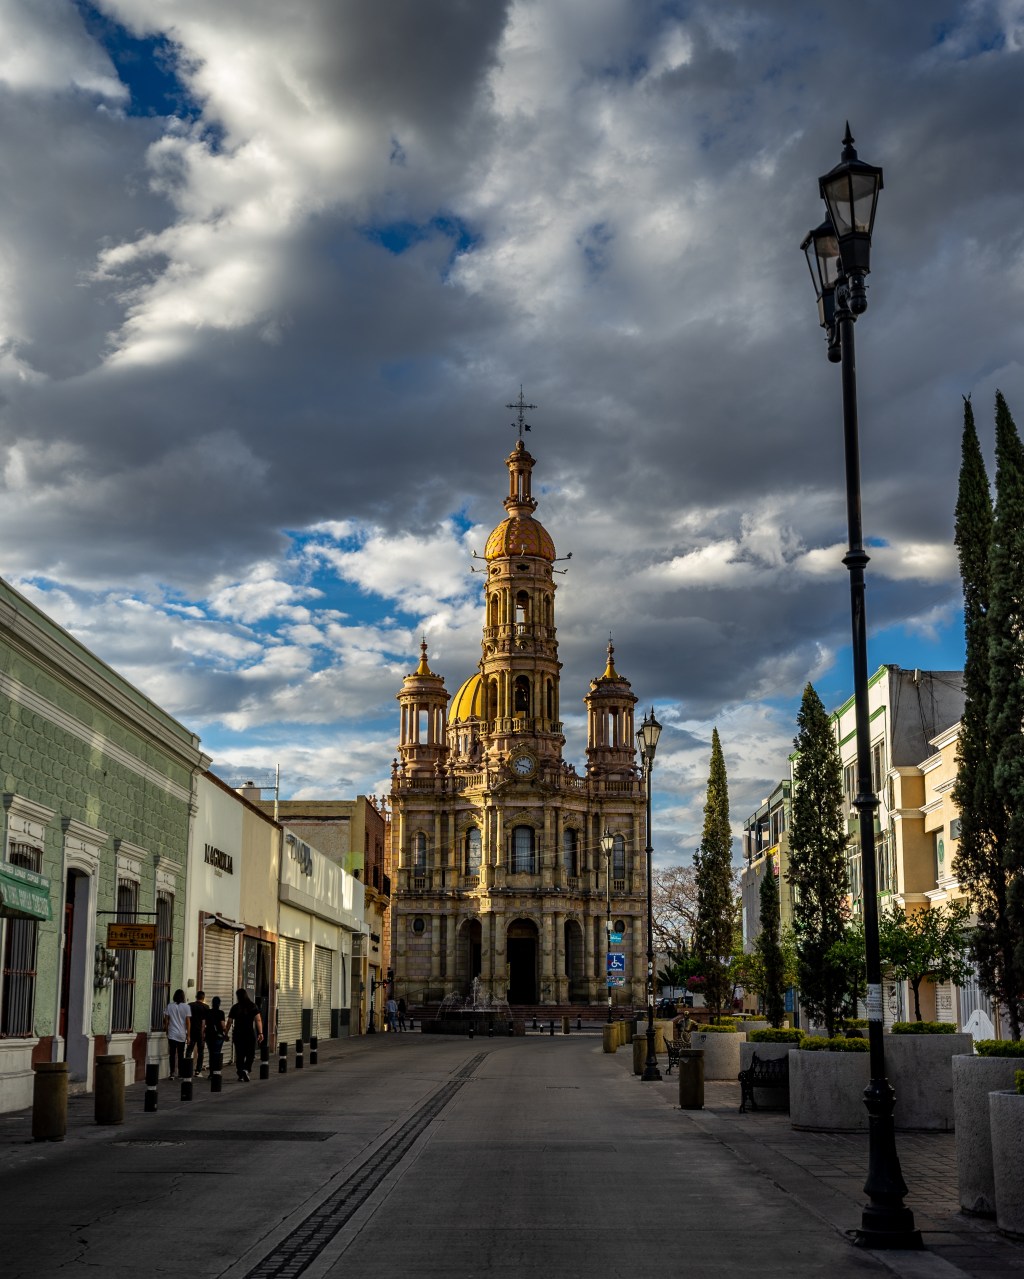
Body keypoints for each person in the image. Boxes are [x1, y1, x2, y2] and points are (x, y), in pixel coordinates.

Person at [225, 988, 263, 1081]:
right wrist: (260, 1033)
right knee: (250, 1054)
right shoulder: (253, 1006)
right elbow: (258, 1020)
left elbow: (229, 1022)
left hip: (238, 1033)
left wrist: (225, 1032)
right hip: (249, 1033)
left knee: (240, 1054)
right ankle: (246, 1069)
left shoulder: (235, 1007)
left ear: (238, 996)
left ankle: (240, 1072)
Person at [163, 989, 191, 1079]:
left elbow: (166, 1020)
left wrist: (167, 1030)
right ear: (183, 997)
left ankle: (172, 1073)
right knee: (180, 1054)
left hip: (172, 1033)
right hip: (181, 1034)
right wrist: (188, 1035)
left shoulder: (170, 1006)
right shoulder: (186, 1007)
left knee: (172, 1053)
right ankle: (180, 1073)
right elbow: (188, 1022)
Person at [188, 990, 209, 1073]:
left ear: (196, 997)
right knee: (201, 1052)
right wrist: (204, 1033)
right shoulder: (206, 1007)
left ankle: (187, 1068)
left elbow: (187, 1019)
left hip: (191, 1031)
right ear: (203, 998)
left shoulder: (190, 1005)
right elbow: (205, 1022)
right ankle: (198, 1070)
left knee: (189, 1051)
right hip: (200, 1032)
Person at [205, 995, 227, 1066]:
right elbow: (223, 1026)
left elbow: (204, 1024)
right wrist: (226, 1034)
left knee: (211, 1053)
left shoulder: (208, 1012)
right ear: (219, 1004)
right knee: (217, 1053)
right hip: (218, 1036)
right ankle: (216, 1072)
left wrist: (203, 1034)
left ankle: (211, 1072)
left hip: (209, 1035)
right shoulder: (221, 1013)